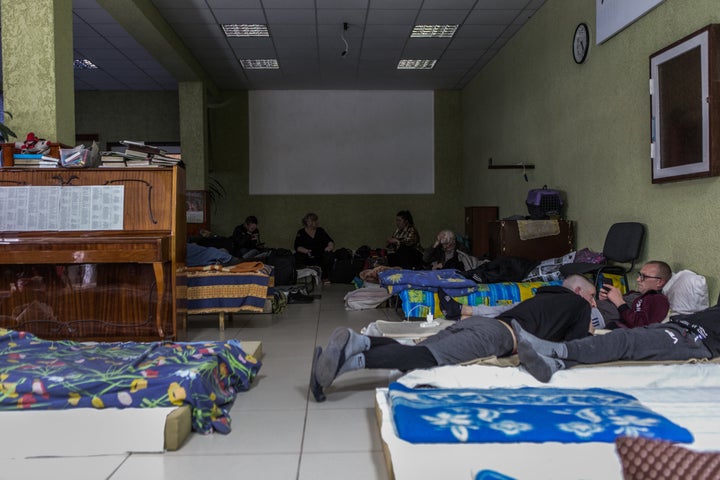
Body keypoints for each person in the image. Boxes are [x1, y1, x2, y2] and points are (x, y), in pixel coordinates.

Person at [309, 274, 597, 402]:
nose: (594, 303)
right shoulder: (580, 305)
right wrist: (590, 329)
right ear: (579, 292)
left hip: (483, 324)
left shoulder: (542, 295)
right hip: (497, 335)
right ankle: (348, 360)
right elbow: (577, 347)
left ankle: (360, 343)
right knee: (424, 359)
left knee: (418, 348)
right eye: (592, 296)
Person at [513, 304, 720, 383]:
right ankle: (554, 364)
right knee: (618, 345)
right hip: (677, 325)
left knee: (624, 340)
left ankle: (555, 350)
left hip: (694, 338)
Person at [596, 261, 672, 329]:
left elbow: (641, 325)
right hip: (595, 307)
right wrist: (606, 299)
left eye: (644, 277)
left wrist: (619, 302)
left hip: (599, 317)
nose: (638, 279)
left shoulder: (658, 300)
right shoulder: (634, 294)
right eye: (639, 275)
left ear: (659, 282)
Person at [294, 213, 335, 280]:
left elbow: (329, 240)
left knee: (330, 255)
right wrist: (306, 251)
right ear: (306, 222)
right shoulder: (301, 232)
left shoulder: (320, 230)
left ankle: (325, 277)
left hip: (320, 254)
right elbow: (297, 246)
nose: (315, 222)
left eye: (315, 221)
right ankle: (307, 273)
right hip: (307, 254)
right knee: (296, 257)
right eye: (312, 221)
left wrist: (330, 246)